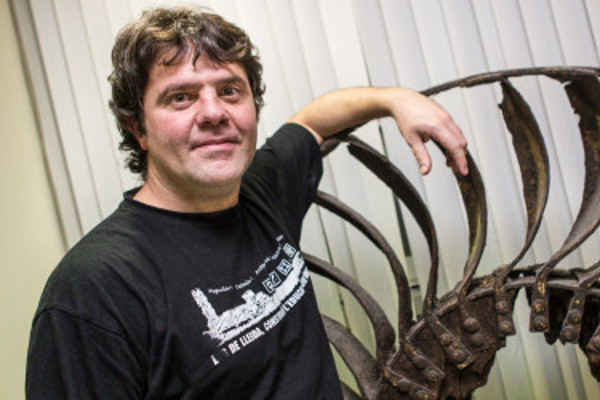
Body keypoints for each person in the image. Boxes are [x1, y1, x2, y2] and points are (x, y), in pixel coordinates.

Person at [26, 6, 468, 400]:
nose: (213, 112)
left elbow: (313, 121)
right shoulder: (93, 290)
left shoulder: (261, 192)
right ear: (138, 128)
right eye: (181, 97)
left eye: (229, 91)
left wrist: (395, 99)